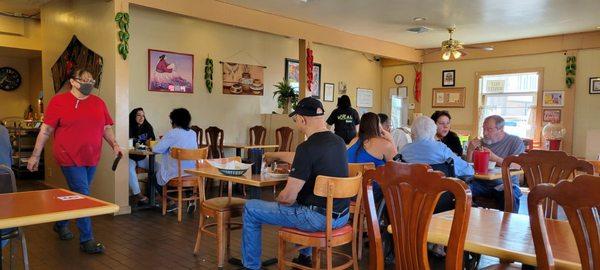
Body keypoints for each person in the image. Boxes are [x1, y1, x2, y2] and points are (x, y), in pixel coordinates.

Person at [241, 98, 349, 270]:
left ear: (302, 120)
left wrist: (277, 199)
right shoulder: (339, 143)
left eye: (295, 119)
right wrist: (277, 156)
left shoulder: (306, 147)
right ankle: (304, 257)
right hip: (341, 216)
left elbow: (288, 198)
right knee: (304, 200)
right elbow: (312, 159)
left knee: (251, 208)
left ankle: (251, 266)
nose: (296, 122)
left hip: (317, 219)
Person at [27, 67, 121, 254]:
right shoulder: (59, 101)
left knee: (77, 194)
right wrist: (35, 155)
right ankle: (87, 239)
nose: (89, 84)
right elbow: (45, 131)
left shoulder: (98, 103)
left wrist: (115, 145)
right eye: (84, 80)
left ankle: (60, 223)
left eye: (92, 80)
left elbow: (105, 128)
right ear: (73, 81)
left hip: (92, 156)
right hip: (68, 155)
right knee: (83, 195)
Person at [466, 115, 525, 212]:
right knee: (461, 189)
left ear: (500, 129)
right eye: (483, 129)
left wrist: (495, 158)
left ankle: (508, 225)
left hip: (506, 184)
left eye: (489, 130)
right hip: (481, 183)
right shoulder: (480, 143)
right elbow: (468, 167)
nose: (485, 133)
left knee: (511, 195)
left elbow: (516, 166)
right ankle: (464, 221)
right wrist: (470, 150)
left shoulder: (515, 141)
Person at [151, 108, 197, 210]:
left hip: (176, 173)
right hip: (192, 173)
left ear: (174, 121)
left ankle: (170, 203)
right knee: (183, 171)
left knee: (154, 177)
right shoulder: (193, 133)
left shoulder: (172, 133)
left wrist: (163, 141)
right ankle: (190, 194)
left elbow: (156, 149)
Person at [401, 116, 474, 178]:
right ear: (433, 132)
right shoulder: (441, 149)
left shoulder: (404, 150)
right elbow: (468, 171)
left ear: (413, 134)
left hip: (411, 193)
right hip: (440, 193)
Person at [347, 112, 397, 202]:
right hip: (370, 194)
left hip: (349, 192)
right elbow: (396, 168)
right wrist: (391, 139)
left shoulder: (353, 141)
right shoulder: (384, 144)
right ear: (378, 126)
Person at [128, 108, 156, 204]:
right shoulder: (128, 126)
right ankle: (138, 194)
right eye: (139, 115)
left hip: (142, 157)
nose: (141, 117)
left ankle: (153, 192)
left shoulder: (147, 127)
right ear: (133, 116)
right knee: (129, 170)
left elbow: (152, 140)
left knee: (158, 167)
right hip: (130, 157)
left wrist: (149, 143)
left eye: (143, 115)